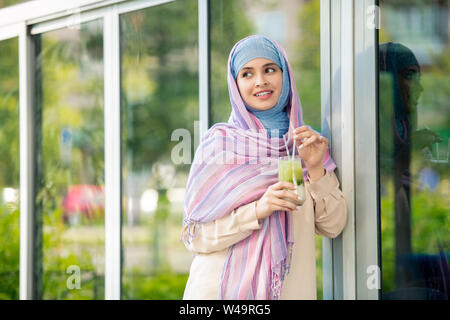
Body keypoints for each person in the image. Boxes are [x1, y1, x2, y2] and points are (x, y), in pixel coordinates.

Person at [181, 35, 347, 300]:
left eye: (270, 69)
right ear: (235, 85)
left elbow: (333, 226)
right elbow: (196, 238)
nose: (260, 81)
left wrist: (316, 168)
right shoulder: (220, 144)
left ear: (286, 76)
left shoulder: (306, 144)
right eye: (247, 73)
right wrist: (259, 209)